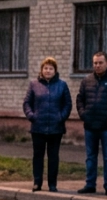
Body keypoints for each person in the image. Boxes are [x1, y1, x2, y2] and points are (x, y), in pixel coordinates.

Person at [75, 52, 107, 195]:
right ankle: (90, 184)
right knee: (90, 157)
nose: (97, 65)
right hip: (90, 126)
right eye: (95, 63)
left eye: (100, 62)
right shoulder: (86, 80)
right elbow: (80, 99)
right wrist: (83, 115)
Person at [22, 57, 72, 192]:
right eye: (45, 68)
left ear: (55, 71)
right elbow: (27, 103)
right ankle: (37, 182)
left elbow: (67, 104)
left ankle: (52, 184)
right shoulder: (34, 84)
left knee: (53, 156)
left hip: (56, 128)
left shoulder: (62, 85)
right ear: (41, 70)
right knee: (38, 155)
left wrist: (61, 117)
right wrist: (32, 116)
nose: (48, 71)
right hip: (38, 127)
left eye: (51, 68)